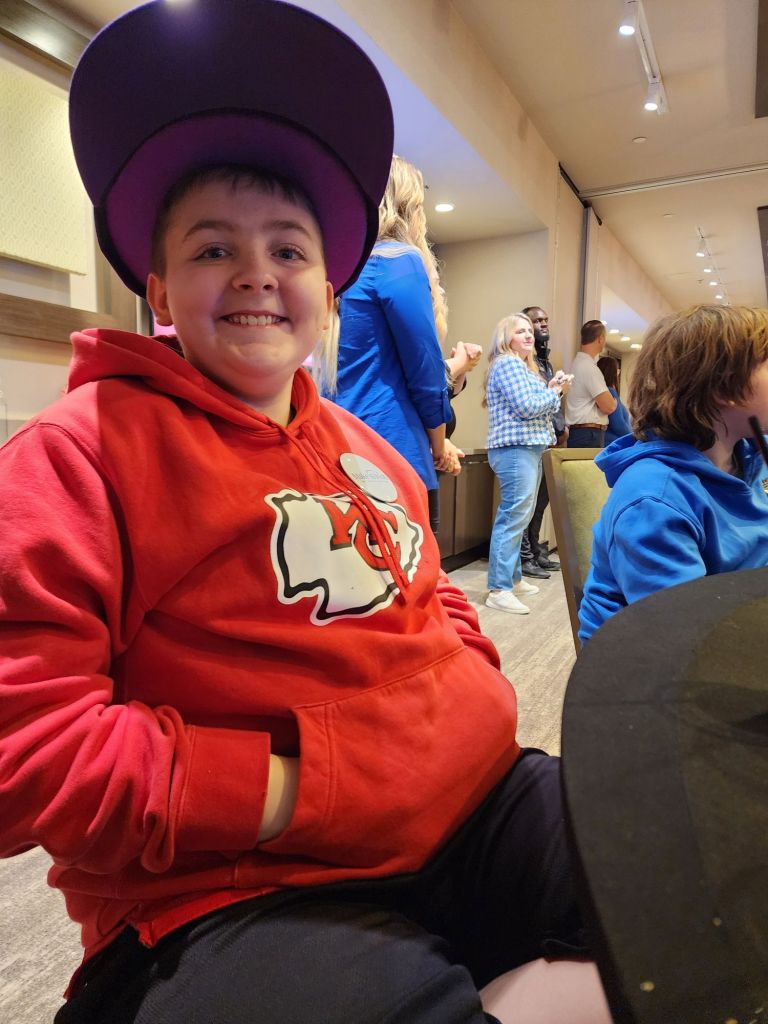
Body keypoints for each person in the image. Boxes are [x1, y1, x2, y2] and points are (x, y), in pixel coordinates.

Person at [0, 4, 613, 1023]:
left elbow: (436, 598)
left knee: (677, 870)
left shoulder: (371, 449)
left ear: (328, 291)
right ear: (158, 288)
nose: (256, 271)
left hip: (474, 813)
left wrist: (465, 695)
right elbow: (23, 750)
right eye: (211, 248)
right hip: (232, 891)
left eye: (288, 249)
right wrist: (297, 784)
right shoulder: (75, 454)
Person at [579, 304, 768, 645]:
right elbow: (686, 636)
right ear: (725, 387)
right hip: (660, 659)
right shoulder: (656, 498)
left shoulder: (749, 454)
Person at [324, 155, 454, 532]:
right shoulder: (398, 260)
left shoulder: (339, 268)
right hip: (393, 449)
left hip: (336, 443)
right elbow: (425, 369)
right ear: (408, 204)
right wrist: (439, 443)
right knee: (411, 564)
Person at [485, 313, 571, 614]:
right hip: (515, 449)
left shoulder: (523, 367)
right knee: (513, 517)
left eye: (528, 331)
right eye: (519, 331)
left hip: (526, 448)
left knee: (519, 516)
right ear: (506, 338)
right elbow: (528, 407)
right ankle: (499, 589)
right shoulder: (507, 364)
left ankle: (512, 578)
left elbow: (536, 405)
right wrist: (555, 392)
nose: (528, 335)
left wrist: (551, 387)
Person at [519, 305, 565, 578]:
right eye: (537, 321)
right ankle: (524, 557)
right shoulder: (525, 361)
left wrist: (562, 426)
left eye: (546, 320)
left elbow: (552, 399)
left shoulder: (545, 361)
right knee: (528, 502)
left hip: (551, 439)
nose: (543, 325)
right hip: (529, 441)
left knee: (542, 501)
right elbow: (533, 402)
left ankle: (535, 550)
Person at [565, 320, 617, 448]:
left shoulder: (578, 363)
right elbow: (608, 406)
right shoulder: (588, 367)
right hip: (588, 434)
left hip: (582, 432)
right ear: (600, 338)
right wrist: (614, 401)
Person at [597, 355, 632, 446]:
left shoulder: (602, 392)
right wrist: (634, 437)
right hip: (612, 443)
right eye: (617, 370)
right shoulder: (610, 392)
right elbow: (618, 425)